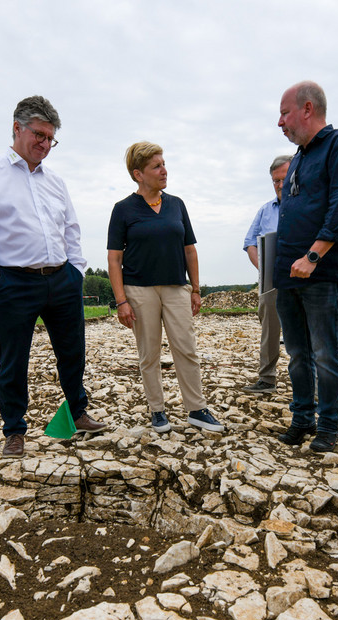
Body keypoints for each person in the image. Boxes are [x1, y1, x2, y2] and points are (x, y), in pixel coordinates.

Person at [0, 96, 107, 458]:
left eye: (51, 139)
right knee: (13, 360)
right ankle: (14, 429)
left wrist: (76, 270)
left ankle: (77, 411)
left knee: (73, 352)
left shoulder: (55, 181)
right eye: (39, 135)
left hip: (61, 278)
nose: (45, 145)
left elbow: (71, 227)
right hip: (15, 281)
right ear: (17, 128)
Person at [274, 81, 338, 453]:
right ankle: (303, 417)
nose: (280, 122)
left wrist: (313, 256)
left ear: (308, 108)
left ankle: (328, 426)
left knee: (326, 353)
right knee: (298, 354)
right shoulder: (297, 157)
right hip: (288, 275)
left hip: (323, 274)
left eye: (284, 113)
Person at [107, 142, 225, 435]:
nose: (164, 170)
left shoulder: (177, 204)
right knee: (149, 353)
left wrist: (195, 289)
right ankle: (157, 411)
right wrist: (121, 301)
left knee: (186, 348)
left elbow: (190, 250)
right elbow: (114, 258)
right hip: (139, 290)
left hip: (176, 288)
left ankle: (196, 409)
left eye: (163, 163)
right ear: (138, 174)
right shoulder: (123, 210)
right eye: (156, 166)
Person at [241, 155, 293, 394]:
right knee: (269, 330)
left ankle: (311, 381)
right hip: (271, 280)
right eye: (275, 181)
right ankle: (267, 379)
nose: (280, 185)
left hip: (303, 279)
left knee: (305, 330)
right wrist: (262, 268)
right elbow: (250, 242)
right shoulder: (265, 210)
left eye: (284, 179)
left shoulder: (308, 205)